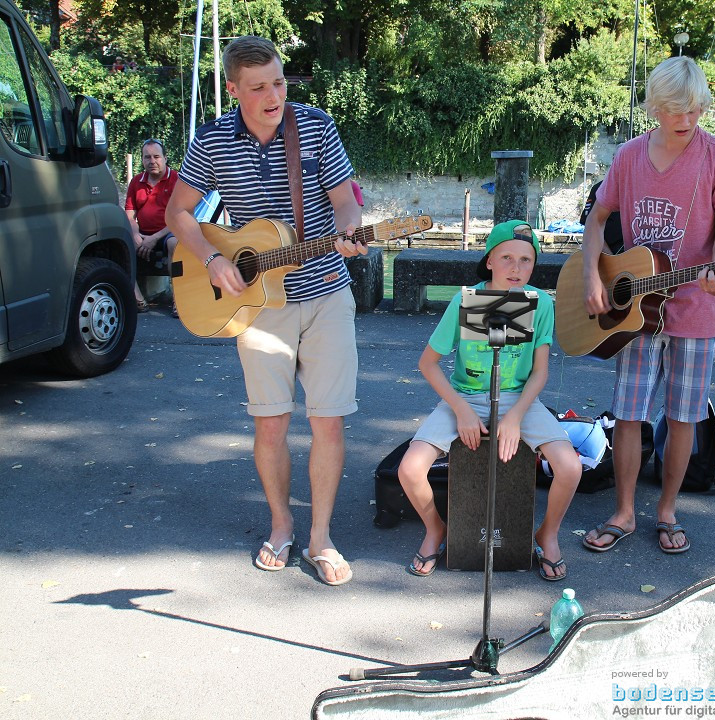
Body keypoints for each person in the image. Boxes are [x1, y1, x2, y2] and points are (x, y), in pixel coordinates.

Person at [164, 35, 365, 585]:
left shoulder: (315, 127)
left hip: (324, 291)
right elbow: (179, 212)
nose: (274, 94)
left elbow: (345, 198)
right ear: (234, 90)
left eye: (278, 81)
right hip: (258, 306)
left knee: (328, 422)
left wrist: (350, 228)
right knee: (271, 424)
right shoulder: (212, 142)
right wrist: (209, 258)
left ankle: (320, 537)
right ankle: (281, 525)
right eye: (259, 87)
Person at [580, 56, 715, 555]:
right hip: (634, 311)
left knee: (682, 416)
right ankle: (625, 512)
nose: (687, 120)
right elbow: (596, 220)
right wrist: (592, 273)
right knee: (628, 414)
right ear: (655, 106)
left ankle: (667, 511)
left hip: (696, 309)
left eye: (695, 110)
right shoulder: (629, 157)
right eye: (676, 110)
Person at [396, 220, 581, 580]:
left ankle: (548, 533)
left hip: (519, 400)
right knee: (409, 469)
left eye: (526, 260)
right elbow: (428, 364)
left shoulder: (541, 303)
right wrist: (462, 410)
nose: (516, 268)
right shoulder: (465, 300)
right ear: (489, 260)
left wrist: (514, 418)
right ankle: (437, 528)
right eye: (507, 258)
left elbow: (540, 373)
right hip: (465, 397)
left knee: (571, 467)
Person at [125, 138, 179, 314]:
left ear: (165, 158)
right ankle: (137, 297)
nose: (152, 161)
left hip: (169, 231)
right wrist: (135, 236)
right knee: (123, 243)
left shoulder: (177, 180)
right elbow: (130, 215)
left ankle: (178, 299)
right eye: (147, 157)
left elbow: (180, 216)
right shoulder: (136, 182)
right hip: (143, 232)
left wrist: (153, 239)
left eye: (156, 156)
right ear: (142, 159)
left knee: (175, 244)